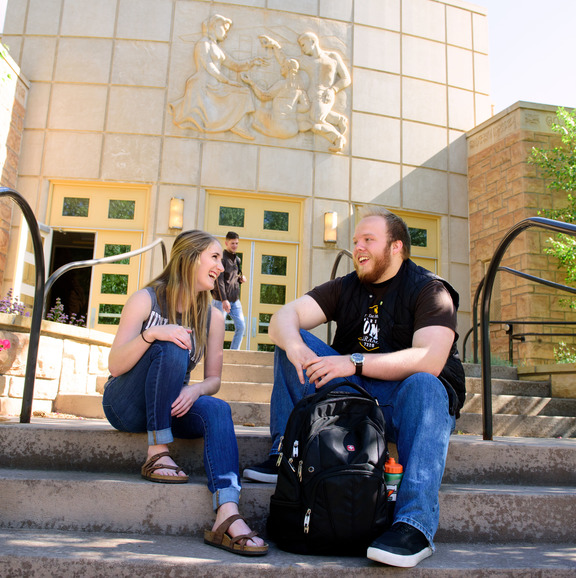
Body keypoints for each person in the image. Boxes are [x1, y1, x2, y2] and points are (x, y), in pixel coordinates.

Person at [243, 208, 466, 567]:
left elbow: (430, 359)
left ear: (396, 248)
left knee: (426, 385)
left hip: (402, 401)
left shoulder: (430, 290)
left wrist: (353, 361)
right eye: (356, 241)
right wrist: (298, 347)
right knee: (290, 341)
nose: (358, 247)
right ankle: (283, 452)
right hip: (353, 397)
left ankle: (414, 525)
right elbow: (283, 317)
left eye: (368, 240)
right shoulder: (347, 286)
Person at [102, 230, 268, 557]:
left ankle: (227, 512)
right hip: (126, 405)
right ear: (191, 258)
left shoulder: (214, 316)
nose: (221, 267)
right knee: (171, 342)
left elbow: (213, 380)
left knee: (218, 409)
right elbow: (115, 365)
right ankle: (157, 451)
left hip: (171, 404)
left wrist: (195, 393)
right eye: (214, 257)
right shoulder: (146, 299)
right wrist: (152, 333)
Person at [170, 14, 267, 139]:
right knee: (241, 92)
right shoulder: (203, 44)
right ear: (214, 26)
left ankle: (239, 124)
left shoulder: (216, 47)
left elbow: (234, 65)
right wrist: (227, 81)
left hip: (215, 84)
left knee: (244, 91)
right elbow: (209, 67)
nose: (226, 34)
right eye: (224, 29)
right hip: (204, 84)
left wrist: (252, 62)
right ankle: (236, 124)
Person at [259, 32, 351, 152]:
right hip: (309, 96)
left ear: (313, 42)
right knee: (304, 120)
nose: (302, 48)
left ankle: (338, 138)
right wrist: (275, 46)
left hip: (324, 94)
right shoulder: (303, 60)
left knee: (315, 120)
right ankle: (337, 120)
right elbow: (285, 62)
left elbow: (346, 79)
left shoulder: (332, 57)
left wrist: (333, 90)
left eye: (303, 45)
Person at [240, 58, 310, 139]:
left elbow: (264, 96)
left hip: (279, 126)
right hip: (293, 129)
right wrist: (291, 108)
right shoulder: (300, 89)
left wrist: (251, 82)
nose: (281, 68)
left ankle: (247, 128)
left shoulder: (282, 84)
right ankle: (262, 129)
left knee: (251, 109)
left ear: (288, 69)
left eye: (283, 66)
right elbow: (306, 107)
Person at [211, 231, 247, 350]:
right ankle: (214, 351)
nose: (235, 246)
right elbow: (219, 280)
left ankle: (234, 352)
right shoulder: (222, 259)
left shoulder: (237, 259)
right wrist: (224, 300)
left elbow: (235, 276)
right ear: (226, 243)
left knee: (241, 326)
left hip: (235, 300)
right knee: (217, 328)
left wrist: (241, 278)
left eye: (236, 243)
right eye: (232, 243)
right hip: (221, 300)